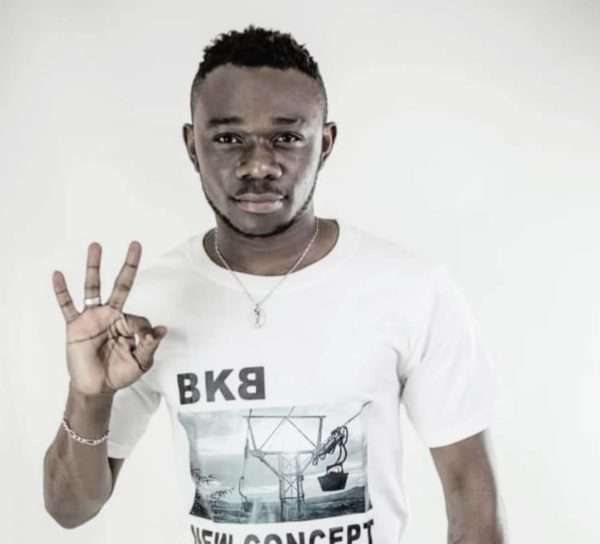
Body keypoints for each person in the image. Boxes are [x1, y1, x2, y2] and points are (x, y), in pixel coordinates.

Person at [44, 25, 504, 544]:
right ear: (192, 146)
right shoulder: (142, 314)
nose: (259, 164)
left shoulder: (411, 289)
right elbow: (68, 509)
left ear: (324, 143)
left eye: (286, 137)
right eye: (228, 138)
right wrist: (89, 396)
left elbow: (473, 504)